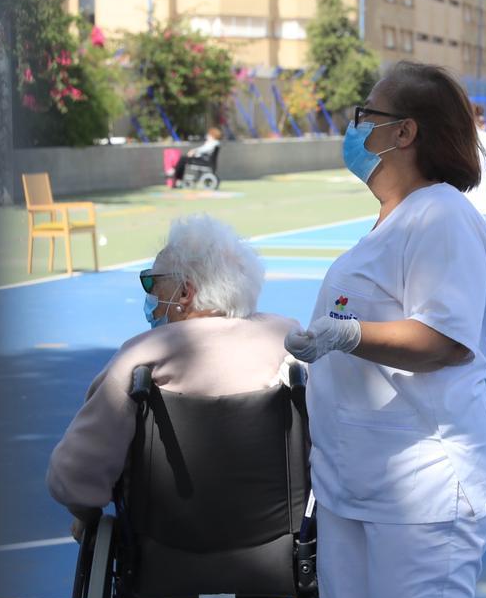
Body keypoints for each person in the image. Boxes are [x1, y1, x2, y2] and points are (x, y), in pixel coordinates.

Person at [284, 61, 486, 598]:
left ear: (404, 132)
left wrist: (348, 335)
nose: (354, 130)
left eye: (366, 116)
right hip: (354, 482)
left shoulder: (442, 214)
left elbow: (444, 340)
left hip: (422, 484)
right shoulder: (393, 221)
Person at [47, 215, 298, 541]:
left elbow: (72, 473)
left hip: (162, 555)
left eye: (152, 282)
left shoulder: (141, 357)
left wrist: (86, 514)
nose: (149, 292)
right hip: (273, 546)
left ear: (183, 292)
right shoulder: (288, 339)